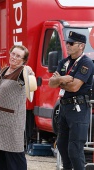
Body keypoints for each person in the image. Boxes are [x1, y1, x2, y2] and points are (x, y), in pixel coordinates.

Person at [0, 45, 36, 170]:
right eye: (13, 54)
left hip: (11, 122)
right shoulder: (4, 70)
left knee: (15, 155)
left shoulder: (22, 72)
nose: (14, 57)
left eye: (18, 56)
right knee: (0, 156)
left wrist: (28, 70)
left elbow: (28, 75)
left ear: (23, 60)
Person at [49, 31, 94, 170]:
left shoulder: (86, 63)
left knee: (75, 150)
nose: (67, 45)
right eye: (67, 42)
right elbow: (51, 83)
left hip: (78, 109)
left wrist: (59, 81)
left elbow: (74, 87)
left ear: (81, 46)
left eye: (71, 43)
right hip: (64, 108)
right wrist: (63, 79)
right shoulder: (64, 61)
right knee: (62, 145)